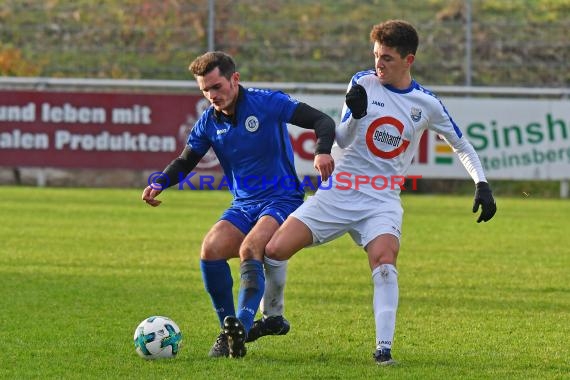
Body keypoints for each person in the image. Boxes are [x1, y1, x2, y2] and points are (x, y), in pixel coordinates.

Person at [264, 19, 497, 366]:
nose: (379, 64)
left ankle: (383, 350)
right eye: (376, 55)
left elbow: (461, 145)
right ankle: (274, 317)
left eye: (387, 58)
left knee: (385, 262)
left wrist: (481, 183)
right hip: (337, 192)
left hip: (381, 199)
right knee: (274, 251)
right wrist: (357, 114)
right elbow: (342, 138)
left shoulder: (426, 104)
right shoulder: (362, 82)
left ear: (409, 60)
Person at [141, 51, 335, 358]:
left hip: (282, 198)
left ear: (235, 79)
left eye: (216, 87)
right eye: (204, 90)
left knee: (249, 249)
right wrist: (159, 182)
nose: (211, 95)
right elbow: (186, 160)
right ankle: (228, 334)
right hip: (244, 203)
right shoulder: (208, 121)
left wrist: (322, 151)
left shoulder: (267, 103)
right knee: (211, 250)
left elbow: (322, 121)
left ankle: (242, 327)